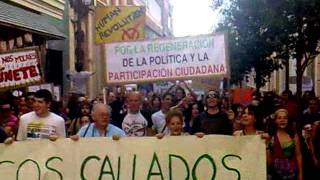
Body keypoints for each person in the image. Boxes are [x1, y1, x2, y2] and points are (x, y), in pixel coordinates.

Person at [267, 109, 303, 180]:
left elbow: (298, 155)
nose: (282, 120)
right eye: (279, 118)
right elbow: (269, 159)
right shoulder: (270, 136)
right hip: (275, 174)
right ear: (275, 120)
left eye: (285, 118)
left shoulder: (293, 136)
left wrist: (300, 174)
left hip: (291, 174)